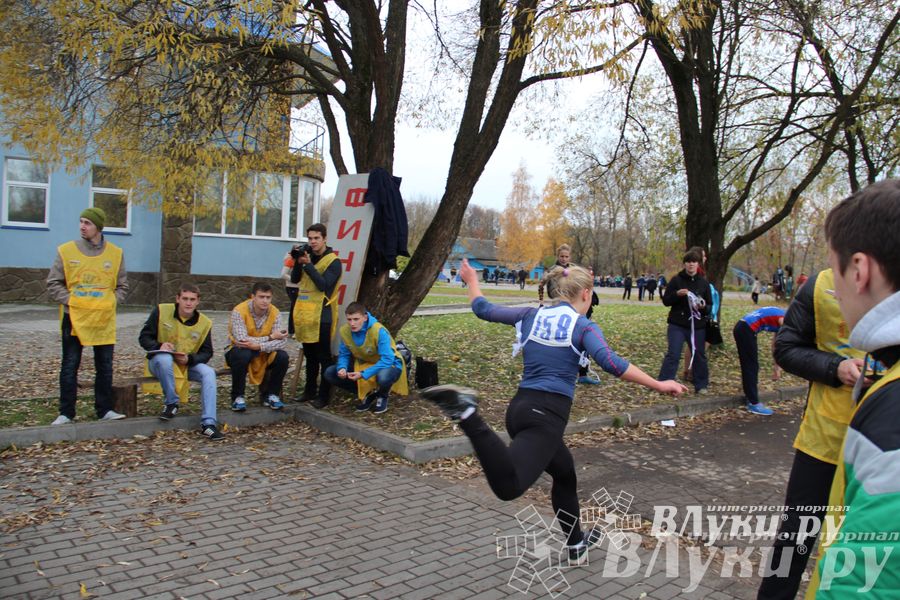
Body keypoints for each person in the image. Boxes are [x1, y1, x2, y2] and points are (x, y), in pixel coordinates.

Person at [422, 259, 686, 560]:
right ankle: (467, 414)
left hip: (520, 410)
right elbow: (611, 363)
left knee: (564, 473)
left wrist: (471, 280)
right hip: (545, 418)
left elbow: (483, 309)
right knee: (509, 487)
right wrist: (658, 384)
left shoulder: (530, 314)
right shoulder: (583, 326)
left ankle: (576, 544)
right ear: (585, 293)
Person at [805, 179, 900, 598]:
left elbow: (863, 581)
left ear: (859, 270)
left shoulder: (892, 412)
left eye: (834, 271)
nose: (834, 290)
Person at [756, 267, 869, 599]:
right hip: (823, 440)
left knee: (863, 545)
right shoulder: (821, 285)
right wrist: (836, 367)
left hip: (884, 446)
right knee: (795, 538)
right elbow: (786, 347)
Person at [47, 207, 129, 425]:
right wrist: (72, 301)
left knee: (105, 365)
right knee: (70, 364)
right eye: (81, 221)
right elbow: (53, 283)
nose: (82, 226)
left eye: (87, 223)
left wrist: (112, 301)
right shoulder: (66, 251)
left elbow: (122, 285)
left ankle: (105, 410)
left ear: (98, 227)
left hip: (103, 319)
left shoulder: (115, 253)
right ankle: (66, 412)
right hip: (74, 318)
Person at [139, 283, 223, 441]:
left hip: (185, 364)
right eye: (185, 299)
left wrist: (190, 359)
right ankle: (171, 403)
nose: (188, 303)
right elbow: (144, 338)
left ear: (198, 301)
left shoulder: (205, 322)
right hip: (159, 363)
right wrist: (159, 346)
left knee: (209, 373)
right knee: (164, 359)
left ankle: (209, 423)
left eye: (192, 299)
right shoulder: (161, 310)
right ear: (178, 299)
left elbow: (207, 352)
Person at [323, 302, 408, 414]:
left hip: (390, 364)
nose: (352, 323)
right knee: (330, 373)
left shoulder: (378, 330)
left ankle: (382, 395)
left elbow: (387, 360)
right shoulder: (345, 330)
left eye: (356, 319)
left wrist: (363, 374)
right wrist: (342, 368)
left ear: (365, 317)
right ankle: (369, 393)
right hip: (364, 364)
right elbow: (344, 354)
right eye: (349, 319)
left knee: (383, 377)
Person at [291, 223, 343, 408]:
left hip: (323, 315)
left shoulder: (333, 261)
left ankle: (323, 396)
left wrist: (308, 265)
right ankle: (309, 391)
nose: (313, 242)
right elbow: (295, 279)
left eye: (316, 238)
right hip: (306, 314)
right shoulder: (308, 256)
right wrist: (298, 261)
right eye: (310, 238)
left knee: (323, 357)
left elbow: (323, 285)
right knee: (310, 356)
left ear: (325, 238)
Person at [226, 282, 290, 412]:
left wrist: (259, 346)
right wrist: (270, 337)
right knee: (243, 354)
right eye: (261, 297)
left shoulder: (275, 312)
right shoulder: (239, 311)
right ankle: (237, 397)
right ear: (253, 297)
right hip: (238, 351)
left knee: (282, 356)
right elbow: (242, 340)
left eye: (268, 297)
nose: (265, 301)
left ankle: (271, 395)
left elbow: (282, 341)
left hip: (263, 352)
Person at [658, 250, 712, 394]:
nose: (691, 265)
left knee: (699, 354)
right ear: (684, 264)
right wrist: (676, 294)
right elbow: (666, 301)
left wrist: (703, 307)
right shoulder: (676, 280)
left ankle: (701, 385)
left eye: (694, 262)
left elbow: (709, 305)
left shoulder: (703, 282)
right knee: (673, 353)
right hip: (677, 324)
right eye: (688, 262)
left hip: (697, 326)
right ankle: (664, 383)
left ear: (698, 264)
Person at [554, 244, 600, 385]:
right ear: (558, 256)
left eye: (566, 256)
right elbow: (552, 292)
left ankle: (583, 373)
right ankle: (560, 372)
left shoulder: (574, 270)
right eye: (561, 256)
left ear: (570, 257)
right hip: (562, 312)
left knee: (582, 340)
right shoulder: (554, 271)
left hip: (578, 310)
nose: (564, 259)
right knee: (562, 342)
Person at [732, 306, 785, 416]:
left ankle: (750, 397)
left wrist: (777, 368)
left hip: (742, 326)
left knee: (750, 365)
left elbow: (776, 345)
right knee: (751, 366)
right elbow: (780, 345)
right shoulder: (786, 320)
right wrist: (777, 368)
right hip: (746, 329)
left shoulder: (783, 315)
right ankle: (753, 403)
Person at [281, 245, 301, 336]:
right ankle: (292, 330)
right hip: (292, 287)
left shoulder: (301, 260)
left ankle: (294, 330)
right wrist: (294, 280)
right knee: (294, 308)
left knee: (298, 309)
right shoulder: (290, 260)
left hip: (299, 288)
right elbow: (283, 274)